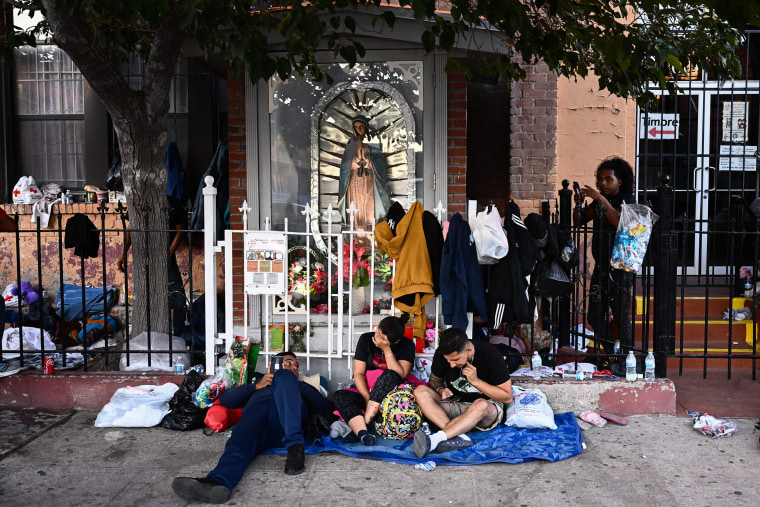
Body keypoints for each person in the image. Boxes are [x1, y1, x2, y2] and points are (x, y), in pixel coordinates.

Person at [172, 351, 334, 504]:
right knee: (240, 435)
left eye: (296, 366)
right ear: (270, 367)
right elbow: (227, 400)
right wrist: (256, 386)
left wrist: (294, 383)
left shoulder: (301, 387)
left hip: (284, 426)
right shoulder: (257, 386)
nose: (294, 368)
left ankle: (295, 447)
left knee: (284, 377)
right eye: (288, 363)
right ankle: (217, 482)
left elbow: (325, 407)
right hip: (255, 426)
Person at [412, 327, 513, 459]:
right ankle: (457, 435)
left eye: (456, 360)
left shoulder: (490, 354)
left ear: (468, 351)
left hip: (486, 409)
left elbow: (507, 397)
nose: (452, 365)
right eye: (449, 361)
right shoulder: (444, 353)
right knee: (420, 391)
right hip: (455, 403)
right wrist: (441, 389)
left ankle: (435, 440)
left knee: (480, 404)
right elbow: (434, 380)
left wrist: (476, 381)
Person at [573, 156, 636, 356]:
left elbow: (620, 223)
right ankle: (611, 352)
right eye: (600, 179)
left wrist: (600, 199)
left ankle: (626, 357)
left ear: (620, 181)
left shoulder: (628, 201)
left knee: (621, 317)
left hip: (621, 268)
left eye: (608, 179)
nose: (602, 183)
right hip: (602, 266)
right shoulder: (599, 202)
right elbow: (579, 221)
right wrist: (578, 205)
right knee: (594, 315)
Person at [332, 314, 415, 445]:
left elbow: (401, 374)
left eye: (384, 339)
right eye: (379, 333)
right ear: (377, 328)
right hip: (368, 392)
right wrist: (367, 398)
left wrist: (386, 349)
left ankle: (363, 424)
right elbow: (358, 373)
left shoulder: (407, 344)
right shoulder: (366, 339)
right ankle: (364, 434)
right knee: (340, 395)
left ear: (396, 341)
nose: (378, 339)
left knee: (390, 374)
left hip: (390, 398)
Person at [117, 194, 188, 337]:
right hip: (143, 256)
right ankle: (153, 335)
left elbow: (180, 231)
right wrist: (123, 254)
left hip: (165, 255)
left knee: (178, 297)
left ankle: (179, 335)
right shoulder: (138, 202)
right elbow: (131, 228)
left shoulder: (173, 203)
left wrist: (167, 254)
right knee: (148, 297)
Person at [337, 114, 390, 249]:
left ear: (366, 128)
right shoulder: (351, 144)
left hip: (369, 182)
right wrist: (354, 162)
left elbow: (380, 164)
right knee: (356, 212)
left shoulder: (373, 144)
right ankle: (357, 244)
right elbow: (344, 166)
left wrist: (368, 162)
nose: (359, 130)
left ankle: (371, 242)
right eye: (356, 128)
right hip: (354, 184)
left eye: (361, 127)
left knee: (368, 210)